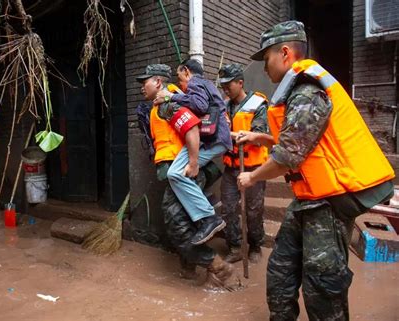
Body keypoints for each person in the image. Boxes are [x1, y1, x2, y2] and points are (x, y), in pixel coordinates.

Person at [237, 21, 395, 320]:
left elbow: (287, 157)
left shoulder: (308, 90)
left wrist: (252, 176)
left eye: (266, 58)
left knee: (322, 286)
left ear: (284, 53)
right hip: (307, 200)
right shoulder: (295, 91)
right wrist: (263, 137)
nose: (265, 67)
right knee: (280, 272)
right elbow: (307, 141)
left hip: (329, 204)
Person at [136, 64, 233, 286]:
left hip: (186, 170)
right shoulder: (158, 106)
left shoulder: (168, 102)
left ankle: (217, 267)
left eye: (145, 82)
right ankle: (195, 268)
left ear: (158, 82)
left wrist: (192, 163)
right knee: (184, 219)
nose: (142, 87)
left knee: (176, 221)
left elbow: (191, 128)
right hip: (178, 170)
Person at [154, 59, 232, 246]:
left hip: (212, 139)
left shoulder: (196, 83)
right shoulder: (207, 85)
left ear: (187, 72)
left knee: (175, 173)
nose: (181, 85)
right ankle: (209, 202)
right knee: (180, 175)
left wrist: (170, 97)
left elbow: (200, 104)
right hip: (218, 139)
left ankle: (209, 217)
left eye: (180, 78)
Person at [218, 63, 268, 264]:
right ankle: (235, 246)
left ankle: (255, 245)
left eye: (228, 85)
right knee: (228, 209)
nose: (225, 89)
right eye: (223, 86)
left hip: (254, 168)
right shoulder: (224, 106)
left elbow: (259, 134)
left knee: (253, 210)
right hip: (231, 168)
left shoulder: (258, 104)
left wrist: (245, 136)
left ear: (240, 83)